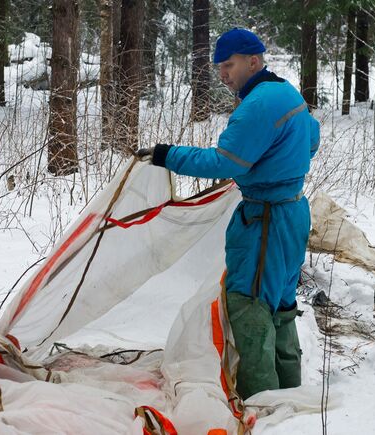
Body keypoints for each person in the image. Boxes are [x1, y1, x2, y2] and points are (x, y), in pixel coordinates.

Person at [137, 28, 320, 399]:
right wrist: (277, 166)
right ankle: (288, 393)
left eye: (229, 65)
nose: (223, 74)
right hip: (293, 213)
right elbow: (311, 138)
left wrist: (165, 155)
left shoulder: (258, 105)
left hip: (265, 222)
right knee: (280, 304)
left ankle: (260, 403)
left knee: (249, 306)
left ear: (253, 61)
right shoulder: (287, 93)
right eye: (219, 66)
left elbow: (225, 161)